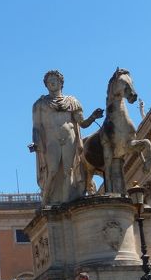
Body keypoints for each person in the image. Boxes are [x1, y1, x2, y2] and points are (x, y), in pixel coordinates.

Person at [29, 70, 103, 205]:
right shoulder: (40, 104)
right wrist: (36, 143)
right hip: (51, 140)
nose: (52, 82)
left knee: (69, 170)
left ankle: (66, 201)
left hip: (70, 137)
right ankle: (46, 201)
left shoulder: (72, 101)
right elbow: (36, 127)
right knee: (52, 170)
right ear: (46, 85)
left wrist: (93, 117)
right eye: (49, 80)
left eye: (55, 79)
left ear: (61, 83)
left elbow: (82, 123)